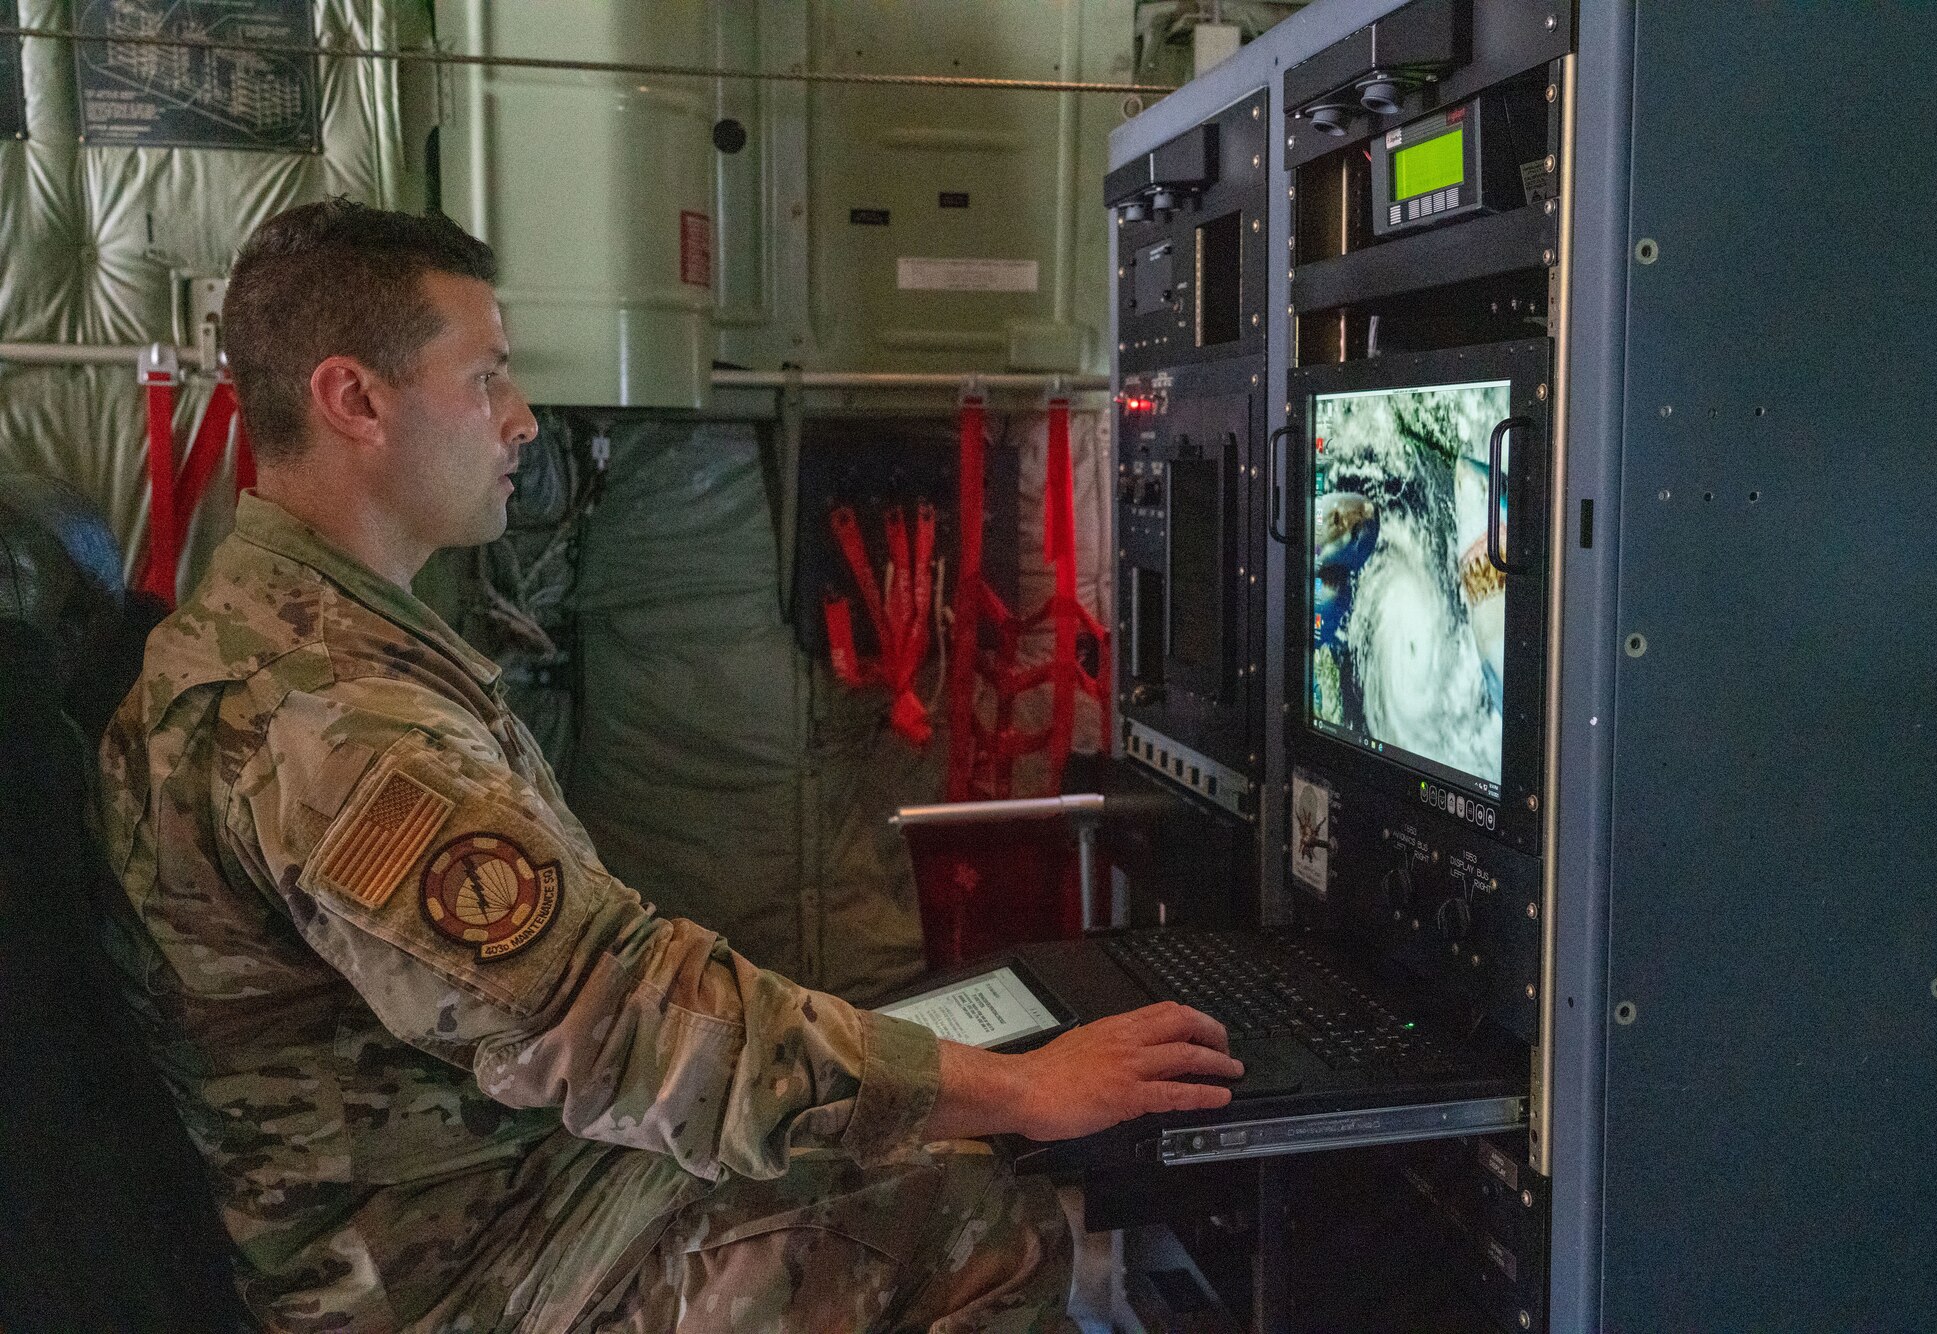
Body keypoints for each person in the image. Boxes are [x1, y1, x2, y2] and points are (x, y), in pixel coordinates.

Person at [95, 198, 1239, 1333]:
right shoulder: (328, 720)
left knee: (915, 1134)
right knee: (976, 1218)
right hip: (446, 1271)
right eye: (486, 377)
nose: (522, 419)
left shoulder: (286, 640)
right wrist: (1021, 1087)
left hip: (474, 1192)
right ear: (354, 398)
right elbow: (609, 1017)